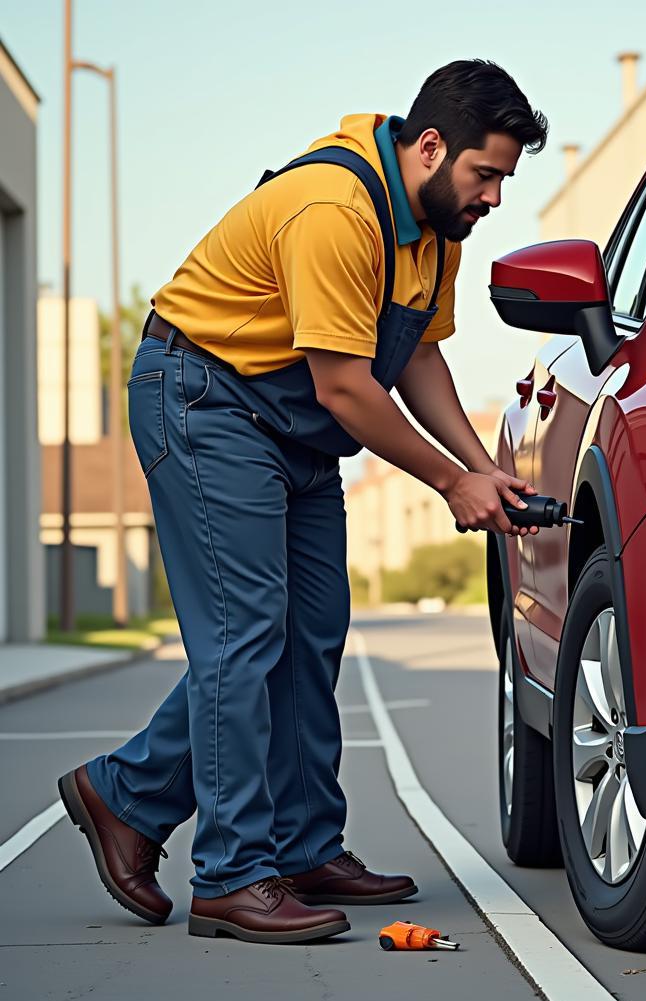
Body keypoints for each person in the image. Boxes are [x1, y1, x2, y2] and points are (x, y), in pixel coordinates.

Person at [57, 59, 548, 945]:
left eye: (506, 179)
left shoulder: (435, 230)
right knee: (247, 633)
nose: (495, 198)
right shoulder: (334, 209)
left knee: (312, 628)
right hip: (206, 398)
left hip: (291, 426)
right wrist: (448, 482)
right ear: (430, 147)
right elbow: (348, 390)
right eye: (486, 175)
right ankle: (234, 874)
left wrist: (482, 466)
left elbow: (418, 357)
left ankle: (275, 837)